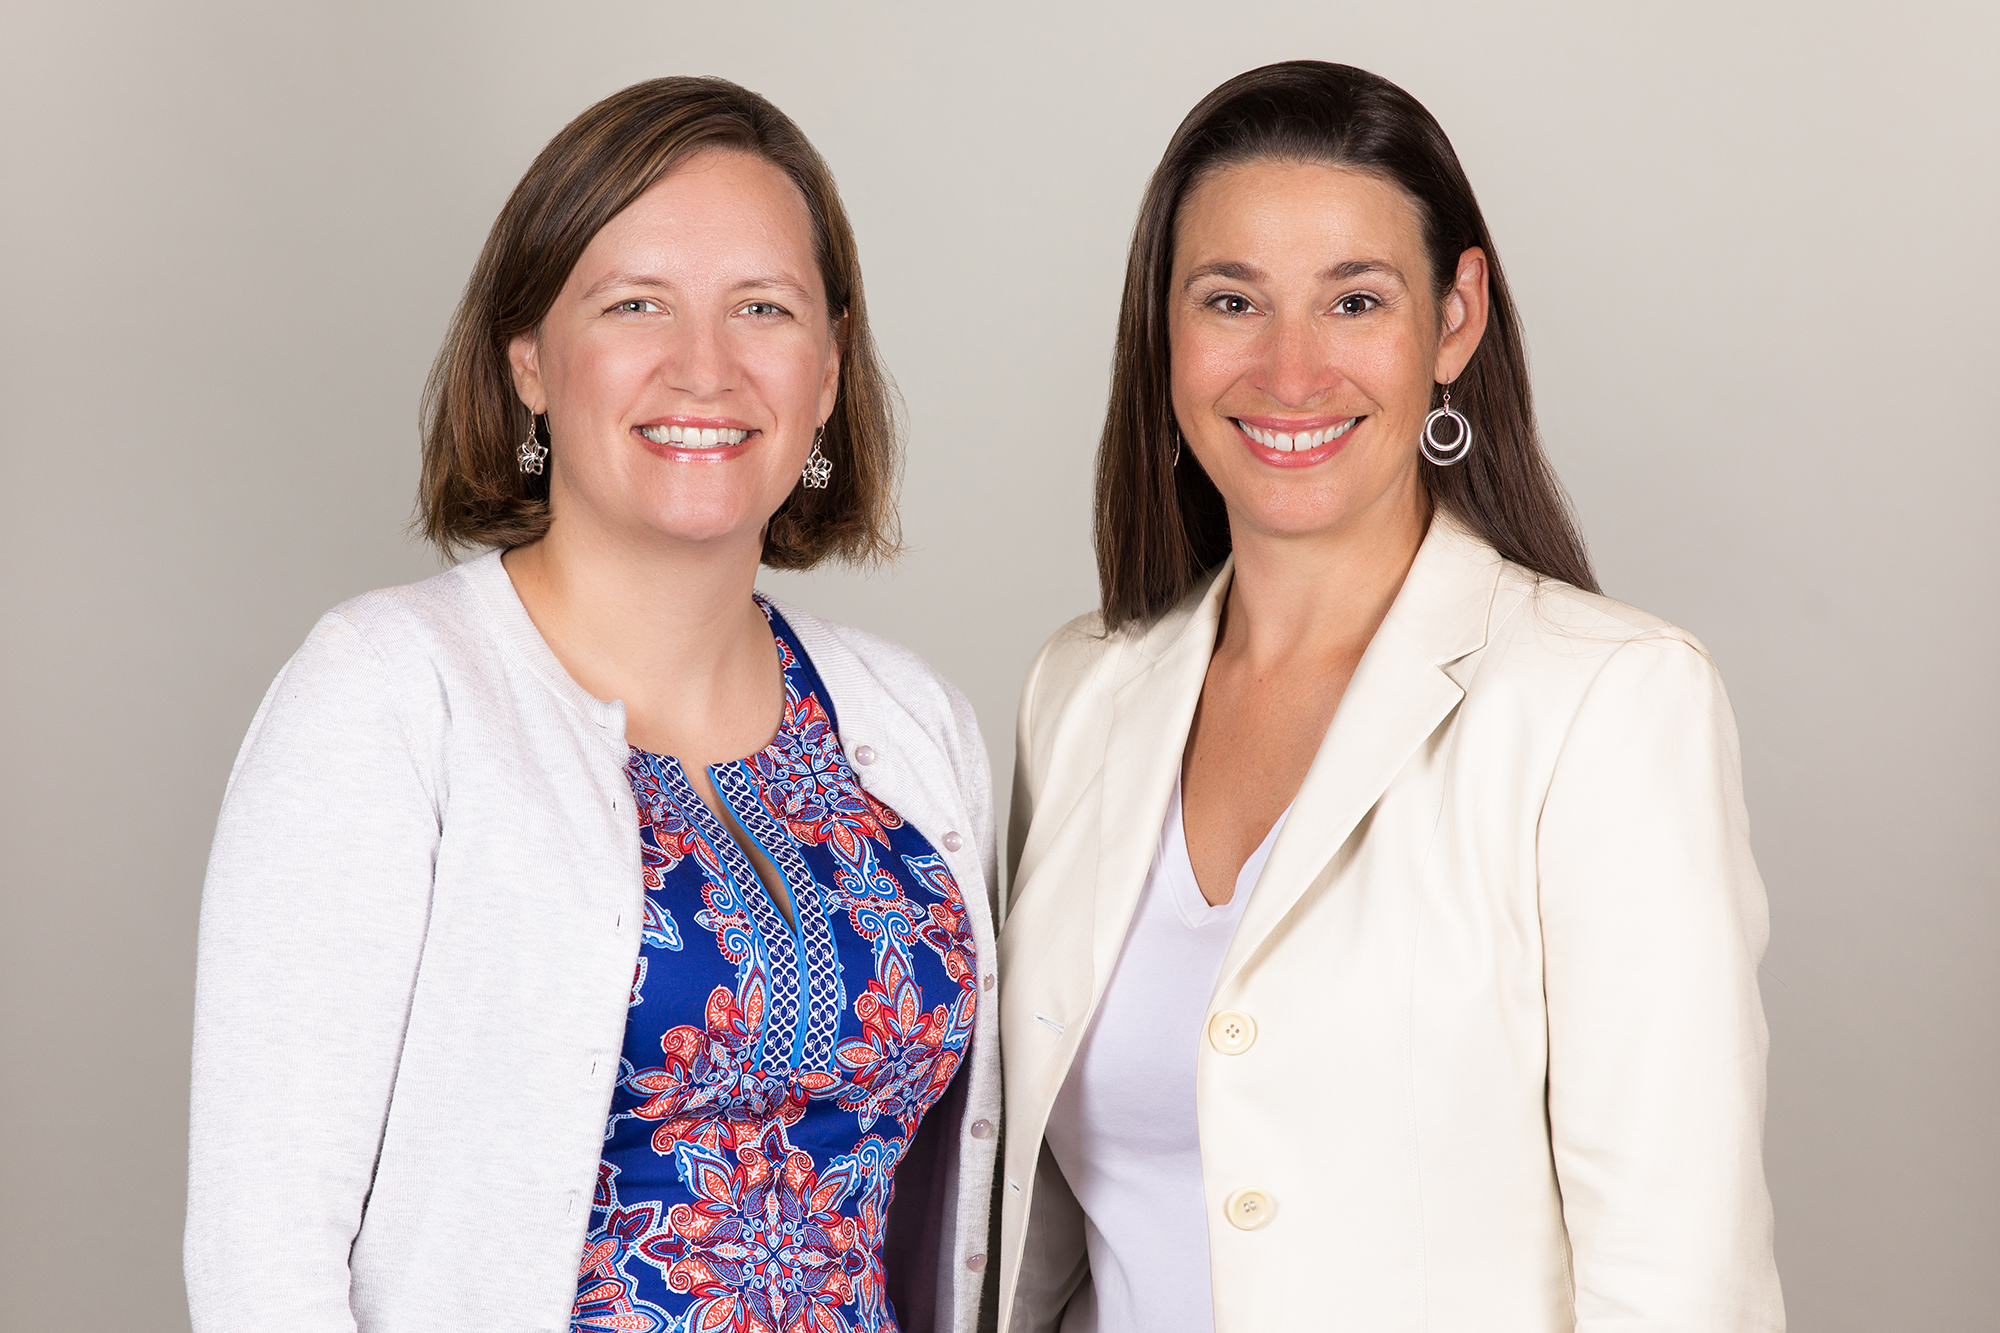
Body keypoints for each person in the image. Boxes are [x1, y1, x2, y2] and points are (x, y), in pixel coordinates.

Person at [186, 77, 1000, 1333]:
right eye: (635, 305)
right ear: (528, 360)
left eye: (762, 309)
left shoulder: (915, 726)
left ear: (829, 370)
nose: (704, 366)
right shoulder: (390, 696)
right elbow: (264, 1259)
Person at [998, 61, 1783, 1332]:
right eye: (1230, 300)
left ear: (1453, 318)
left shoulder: (1606, 706)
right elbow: (1038, 1236)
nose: (1288, 368)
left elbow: (1677, 1282)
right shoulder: (1077, 692)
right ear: (1164, 327)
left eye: (1354, 300)